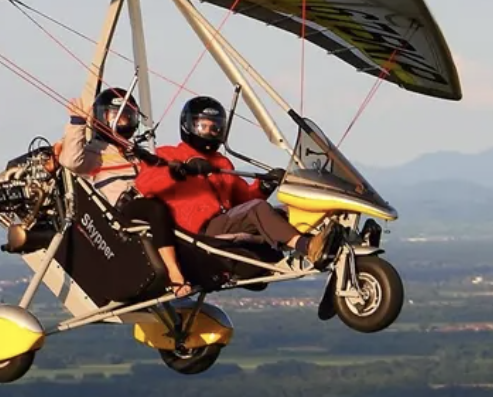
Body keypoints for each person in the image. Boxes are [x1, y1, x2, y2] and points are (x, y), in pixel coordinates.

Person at [134, 95, 339, 271]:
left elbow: (244, 200)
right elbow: (144, 184)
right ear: (189, 125)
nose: (209, 131)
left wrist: (263, 186)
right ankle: (306, 246)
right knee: (258, 209)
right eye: (202, 126)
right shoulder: (169, 154)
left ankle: (330, 242)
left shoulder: (222, 162)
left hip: (225, 222)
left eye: (214, 127)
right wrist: (176, 171)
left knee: (280, 212)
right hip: (198, 231)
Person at [57, 87, 194, 297]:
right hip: (121, 211)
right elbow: (70, 161)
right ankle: (174, 274)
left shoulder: (134, 153)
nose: (124, 122)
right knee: (156, 208)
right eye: (117, 117)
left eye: (128, 117)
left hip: (145, 202)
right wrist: (77, 122)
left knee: (179, 203)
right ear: (102, 117)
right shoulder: (94, 152)